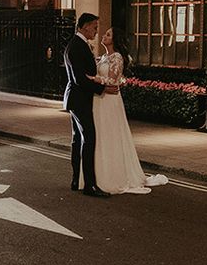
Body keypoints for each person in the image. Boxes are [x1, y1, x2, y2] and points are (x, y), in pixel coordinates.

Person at [89, 27, 168, 194]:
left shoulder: (117, 57)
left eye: (108, 34)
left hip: (110, 101)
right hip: (100, 100)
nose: (104, 35)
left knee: (111, 134)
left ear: (114, 40)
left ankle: (115, 175)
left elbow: (113, 79)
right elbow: (115, 80)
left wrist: (94, 78)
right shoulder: (103, 57)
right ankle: (101, 172)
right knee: (101, 135)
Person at [63, 12, 118, 198]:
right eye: (94, 27)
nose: (96, 30)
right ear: (85, 26)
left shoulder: (77, 44)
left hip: (76, 99)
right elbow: (80, 79)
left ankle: (76, 180)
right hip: (79, 99)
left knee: (77, 139)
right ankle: (90, 185)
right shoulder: (77, 46)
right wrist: (102, 89)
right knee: (89, 139)